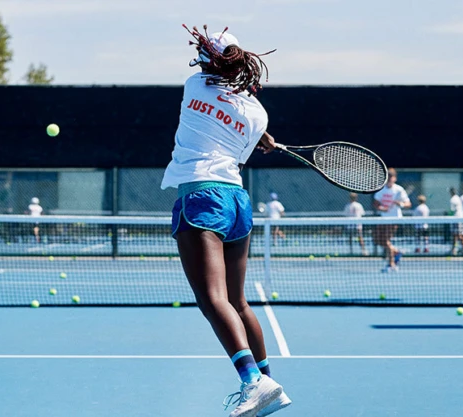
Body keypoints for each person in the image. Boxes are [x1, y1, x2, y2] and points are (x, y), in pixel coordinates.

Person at [160, 26, 287, 417]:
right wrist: (262, 135)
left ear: (210, 60)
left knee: (212, 299)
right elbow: (242, 135)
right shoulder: (257, 111)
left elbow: (214, 101)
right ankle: (269, 381)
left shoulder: (194, 84)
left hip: (201, 196)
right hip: (236, 200)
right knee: (237, 300)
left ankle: (253, 382)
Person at [373, 168, 411, 272]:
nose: (389, 178)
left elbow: (408, 204)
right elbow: (376, 204)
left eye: (391, 176)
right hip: (383, 219)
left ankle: (391, 264)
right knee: (377, 240)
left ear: (395, 178)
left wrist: (400, 204)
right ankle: (396, 252)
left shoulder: (399, 190)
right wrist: (382, 209)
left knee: (386, 240)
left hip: (394, 219)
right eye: (387, 176)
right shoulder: (381, 189)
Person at [449, 187, 463, 255]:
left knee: (457, 235)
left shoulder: (452, 199)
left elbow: (452, 211)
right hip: (460, 219)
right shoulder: (458, 198)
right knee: (458, 234)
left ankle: (462, 249)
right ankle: (458, 249)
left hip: (456, 219)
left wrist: (447, 215)